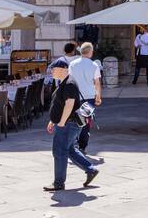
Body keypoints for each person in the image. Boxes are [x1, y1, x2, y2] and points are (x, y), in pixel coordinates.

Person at [43, 58, 98, 192]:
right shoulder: (64, 82)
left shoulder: (69, 84)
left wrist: (61, 122)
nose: (51, 71)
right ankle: (91, 169)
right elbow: (59, 104)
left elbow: (69, 104)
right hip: (66, 123)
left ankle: (58, 183)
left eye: (53, 69)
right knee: (70, 150)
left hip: (68, 124)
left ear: (63, 69)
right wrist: (53, 120)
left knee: (59, 151)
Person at [66, 42, 103, 162]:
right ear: (90, 52)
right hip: (89, 96)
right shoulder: (94, 65)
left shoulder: (72, 64)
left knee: (74, 120)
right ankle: (82, 145)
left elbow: (69, 80)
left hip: (75, 95)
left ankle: (74, 143)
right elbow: (97, 83)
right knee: (86, 121)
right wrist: (98, 96)